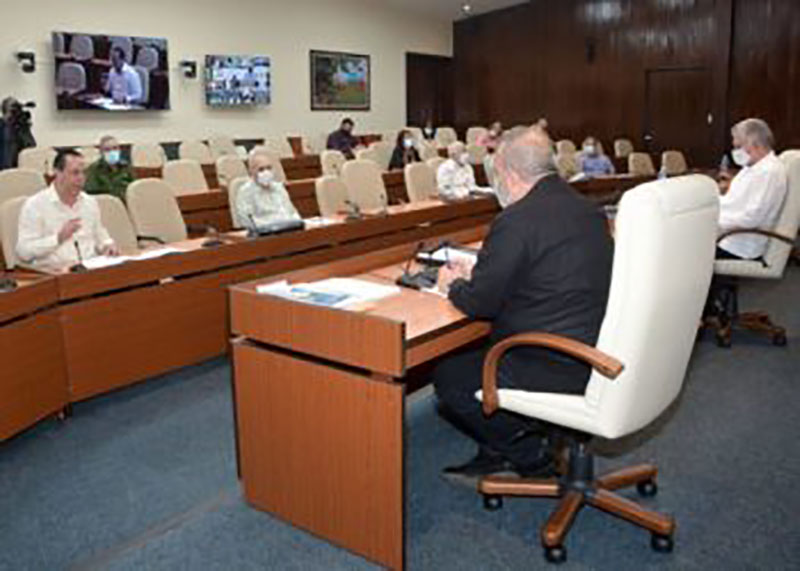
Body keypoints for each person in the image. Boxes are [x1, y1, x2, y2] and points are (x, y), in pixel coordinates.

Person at [432, 127, 613, 478]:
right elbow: (549, 268)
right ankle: (503, 443)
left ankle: (530, 453)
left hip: (549, 359)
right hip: (594, 349)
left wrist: (451, 284)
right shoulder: (588, 210)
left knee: (450, 376)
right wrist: (487, 269)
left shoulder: (516, 219)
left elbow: (481, 304)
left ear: (510, 174)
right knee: (480, 350)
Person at [17, 149, 118, 270]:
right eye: (75, 173)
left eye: (83, 173)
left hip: (91, 271)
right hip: (56, 275)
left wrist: (108, 245)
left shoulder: (89, 202)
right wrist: (58, 238)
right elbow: (23, 252)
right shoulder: (35, 205)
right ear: (57, 173)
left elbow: (100, 234)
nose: (81, 178)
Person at [717, 118, 788, 260]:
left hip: (738, 243)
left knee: (681, 240)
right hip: (729, 232)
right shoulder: (754, 166)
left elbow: (751, 219)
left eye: (738, 146)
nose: (735, 151)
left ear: (754, 144)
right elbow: (733, 200)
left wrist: (714, 220)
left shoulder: (769, 172)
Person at [234, 152, 301, 230]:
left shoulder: (279, 187)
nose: (266, 172)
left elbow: (292, 212)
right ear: (251, 172)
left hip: (286, 229)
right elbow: (248, 221)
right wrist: (274, 224)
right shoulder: (245, 192)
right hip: (263, 235)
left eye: (269, 168)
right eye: (261, 169)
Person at [84, 135, 135, 202]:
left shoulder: (126, 167)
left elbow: (133, 189)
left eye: (115, 148)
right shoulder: (94, 170)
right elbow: (91, 194)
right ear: (101, 152)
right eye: (107, 149)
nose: (112, 152)